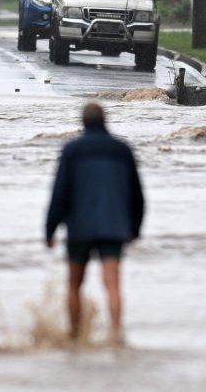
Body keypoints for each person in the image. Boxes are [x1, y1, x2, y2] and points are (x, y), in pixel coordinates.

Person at [45, 103, 144, 346]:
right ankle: (117, 333)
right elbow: (136, 193)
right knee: (112, 283)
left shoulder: (72, 150)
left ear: (83, 122)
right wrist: (134, 228)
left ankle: (74, 335)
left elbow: (60, 193)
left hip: (80, 227)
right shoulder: (122, 150)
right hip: (114, 225)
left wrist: (49, 229)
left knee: (74, 284)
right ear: (105, 120)